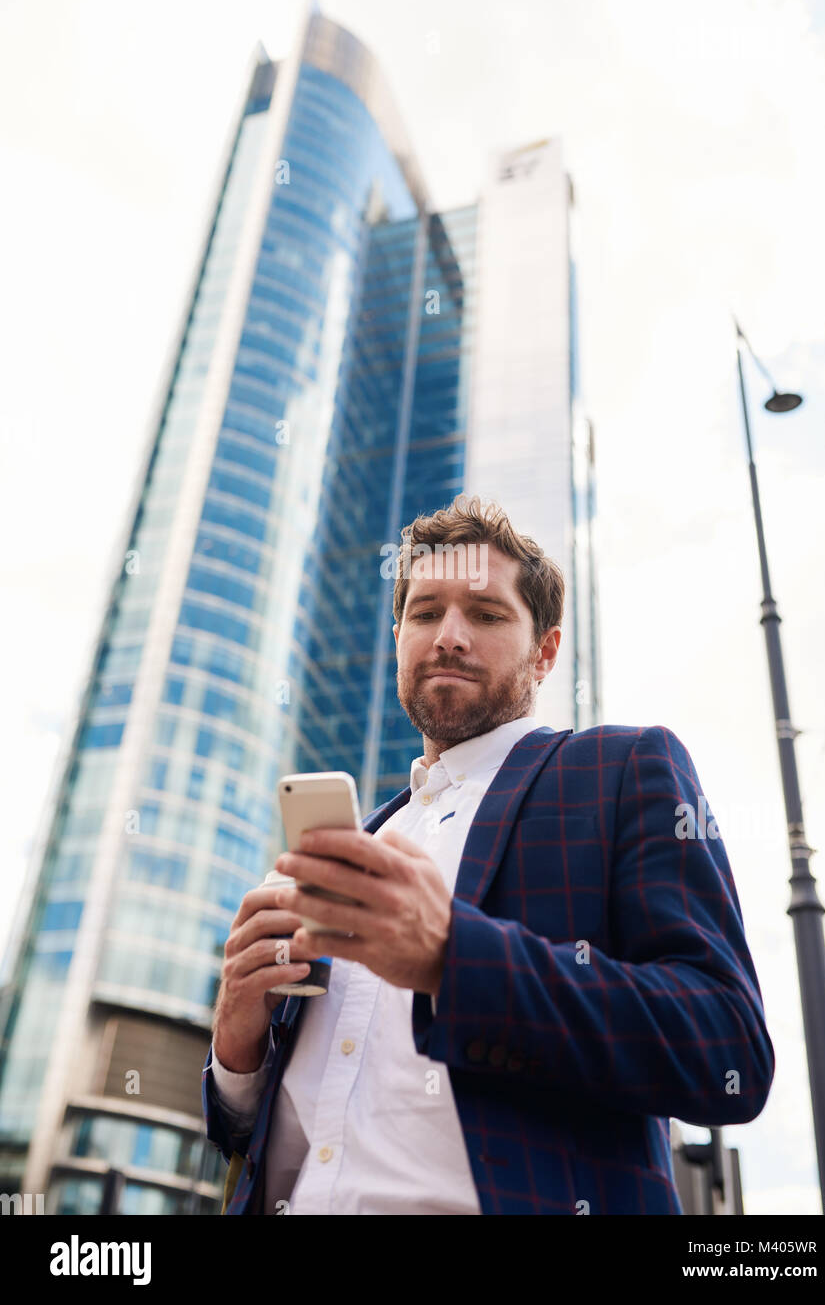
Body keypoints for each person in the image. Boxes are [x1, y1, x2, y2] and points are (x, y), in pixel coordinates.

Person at [201, 493, 774, 1214]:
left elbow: (726, 1048)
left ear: (546, 650)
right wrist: (236, 1049)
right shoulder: (354, 844)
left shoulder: (621, 769)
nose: (448, 636)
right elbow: (263, 1134)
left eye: (487, 613)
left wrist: (452, 956)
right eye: (424, 611)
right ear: (398, 637)